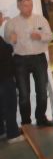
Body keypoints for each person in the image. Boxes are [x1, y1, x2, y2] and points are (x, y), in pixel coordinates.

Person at [3, 0, 53, 126]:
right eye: (26, 6)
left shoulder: (40, 19)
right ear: (19, 6)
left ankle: (41, 118)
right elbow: (6, 42)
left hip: (39, 58)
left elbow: (50, 36)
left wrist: (40, 36)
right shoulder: (12, 23)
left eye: (31, 5)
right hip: (20, 60)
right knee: (24, 94)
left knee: (42, 91)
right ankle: (26, 122)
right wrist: (12, 40)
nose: (29, 8)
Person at [0, 15, 22, 143]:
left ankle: (1, 131)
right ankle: (13, 134)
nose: (2, 19)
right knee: (9, 104)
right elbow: (4, 53)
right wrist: (11, 43)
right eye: (1, 17)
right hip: (4, 77)